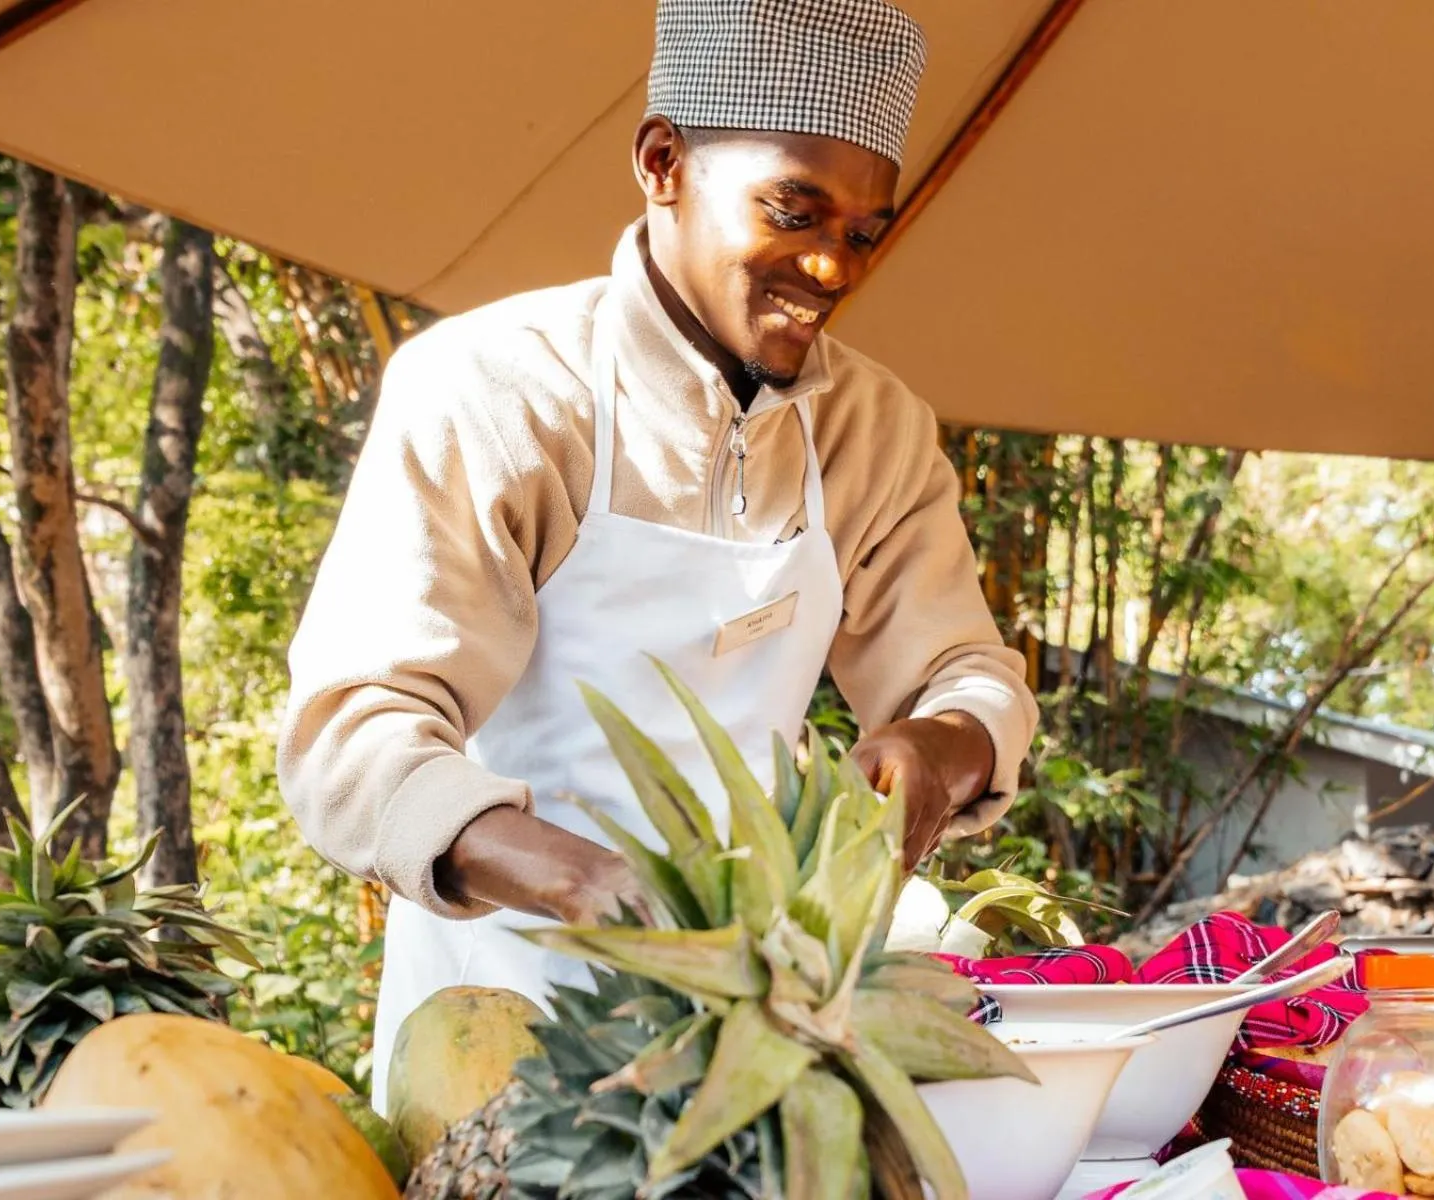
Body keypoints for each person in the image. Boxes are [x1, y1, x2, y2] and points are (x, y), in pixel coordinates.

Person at [278, 0, 1039, 1112]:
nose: (830, 266)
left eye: (864, 234)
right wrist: (584, 881)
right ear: (663, 161)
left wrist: (949, 742)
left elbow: (968, 672)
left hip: (761, 1049)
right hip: (498, 1046)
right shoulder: (496, 392)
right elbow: (354, 733)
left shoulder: (873, 429)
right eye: (793, 210)